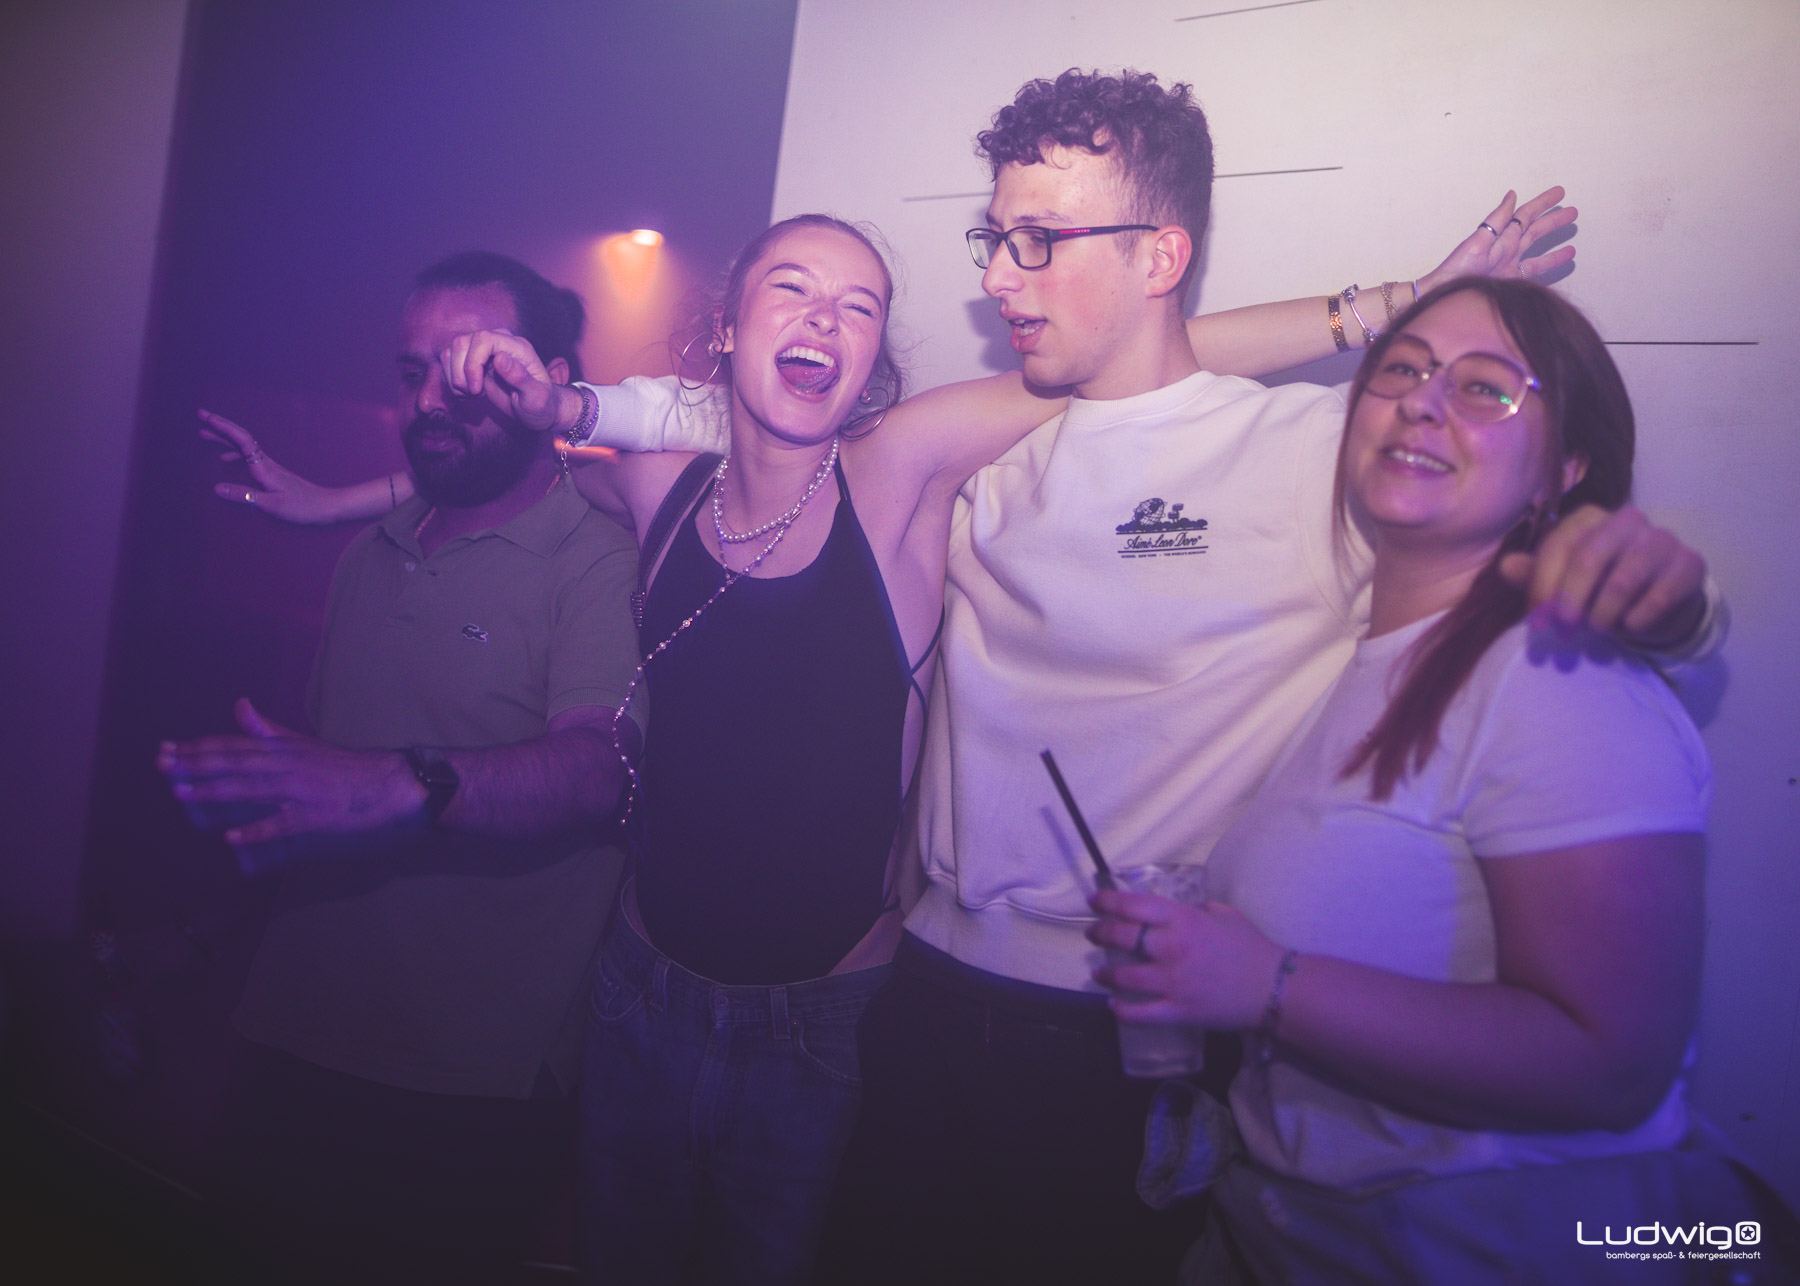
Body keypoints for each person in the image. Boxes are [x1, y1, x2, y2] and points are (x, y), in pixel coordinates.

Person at [808, 70, 1720, 1286]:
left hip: (1126, 1023)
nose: (998, 278)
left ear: (1160, 254)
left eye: (1039, 240)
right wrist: (1375, 305)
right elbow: (871, 446)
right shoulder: (990, 458)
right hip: (925, 992)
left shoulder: (1313, 452)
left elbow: (1512, 547)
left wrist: (1678, 606)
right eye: (995, 239)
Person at [1087, 278, 1794, 1284]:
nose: (1423, 401)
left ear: (1566, 468)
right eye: (1403, 369)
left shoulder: (1558, 679)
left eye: (1484, 387)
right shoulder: (1371, 665)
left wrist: (1265, 984)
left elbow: (1612, 1065)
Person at [158, 252, 640, 1283]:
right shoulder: (369, 549)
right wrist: (207, 933)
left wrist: (404, 786)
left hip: (468, 1077)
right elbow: (323, 792)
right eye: (416, 372)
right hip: (289, 1029)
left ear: (546, 379)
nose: (430, 401)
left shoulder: (599, 555)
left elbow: (601, 767)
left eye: (469, 372)